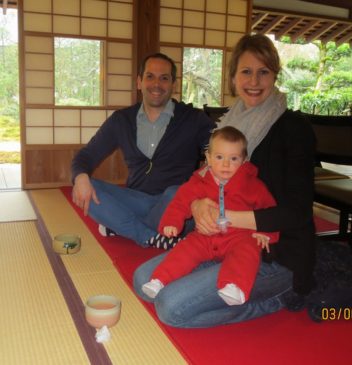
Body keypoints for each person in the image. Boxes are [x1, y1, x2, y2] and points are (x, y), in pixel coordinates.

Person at [133, 34, 316, 328]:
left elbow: (296, 214)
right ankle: (221, 277)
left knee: (171, 308)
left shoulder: (294, 128)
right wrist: (196, 206)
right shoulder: (228, 125)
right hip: (220, 241)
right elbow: (203, 181)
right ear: (232, 78)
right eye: (246, 71)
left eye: (263, 72)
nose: (254, 81)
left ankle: (279, 297)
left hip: (273, 252)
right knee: (142, 279)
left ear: (274, 75)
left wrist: (223, 216)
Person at [71, 53, 215, 246]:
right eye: (150, 76)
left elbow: (219, 153)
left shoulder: (194, 119)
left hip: (176, 205)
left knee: (175, 192)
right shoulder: (122, 120)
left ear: (173, 84)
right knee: (87, 186)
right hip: (135, 200)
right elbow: (86, 155)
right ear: (139, 82)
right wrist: (80, 177)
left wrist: (204, 179)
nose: (157, 84)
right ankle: (149, 236)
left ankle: (121, 224)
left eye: (164, 78)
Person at [142, 126, 279, 306]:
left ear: (244, 161)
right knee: (184, 249)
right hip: (206, 235)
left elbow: (269, 209)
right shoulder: (199, 181)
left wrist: (266, 233)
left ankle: (234, 286)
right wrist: (171, 222)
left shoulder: (253, 185)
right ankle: (159, 280)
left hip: (239, 236)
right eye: (219, 157)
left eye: (234, 159)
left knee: (247, 253)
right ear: (208, 158)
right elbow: (181, 201)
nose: (225, 164)